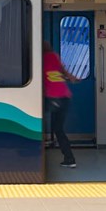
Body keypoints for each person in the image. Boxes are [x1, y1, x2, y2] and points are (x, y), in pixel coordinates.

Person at [42, 40, 77, 168]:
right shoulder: (54, 56)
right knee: (58, 128)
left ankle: (68, 157)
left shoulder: (39, 59)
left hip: (53, 97)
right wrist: (72, 78)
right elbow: (64, 71)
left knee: (36, 119)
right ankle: (69, 158)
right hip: (64, 96)